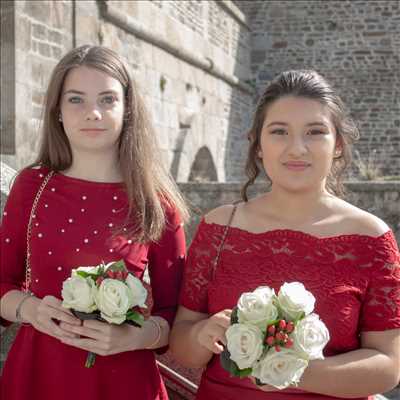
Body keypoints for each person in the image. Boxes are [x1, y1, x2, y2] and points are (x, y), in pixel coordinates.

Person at [170, 70, 400, 399]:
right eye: (279, 131)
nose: (297, 148)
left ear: (338, 145)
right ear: (258, 145)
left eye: (315, 132)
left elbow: (388, 365)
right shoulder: (219, 229)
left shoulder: (372, 239)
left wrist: (288, 371)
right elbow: (183, 345)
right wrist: (202, 335)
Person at [0, 45, 188, 400]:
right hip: (39, 376)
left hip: (125, 382)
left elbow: (175, 314)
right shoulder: (32, 186)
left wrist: (135, 336)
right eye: (76, 100)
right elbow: (1, 283)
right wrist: (31, 310)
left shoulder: (156, 201)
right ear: (57, 110)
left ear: (127, 108)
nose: (93, 113)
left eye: (107, 99)